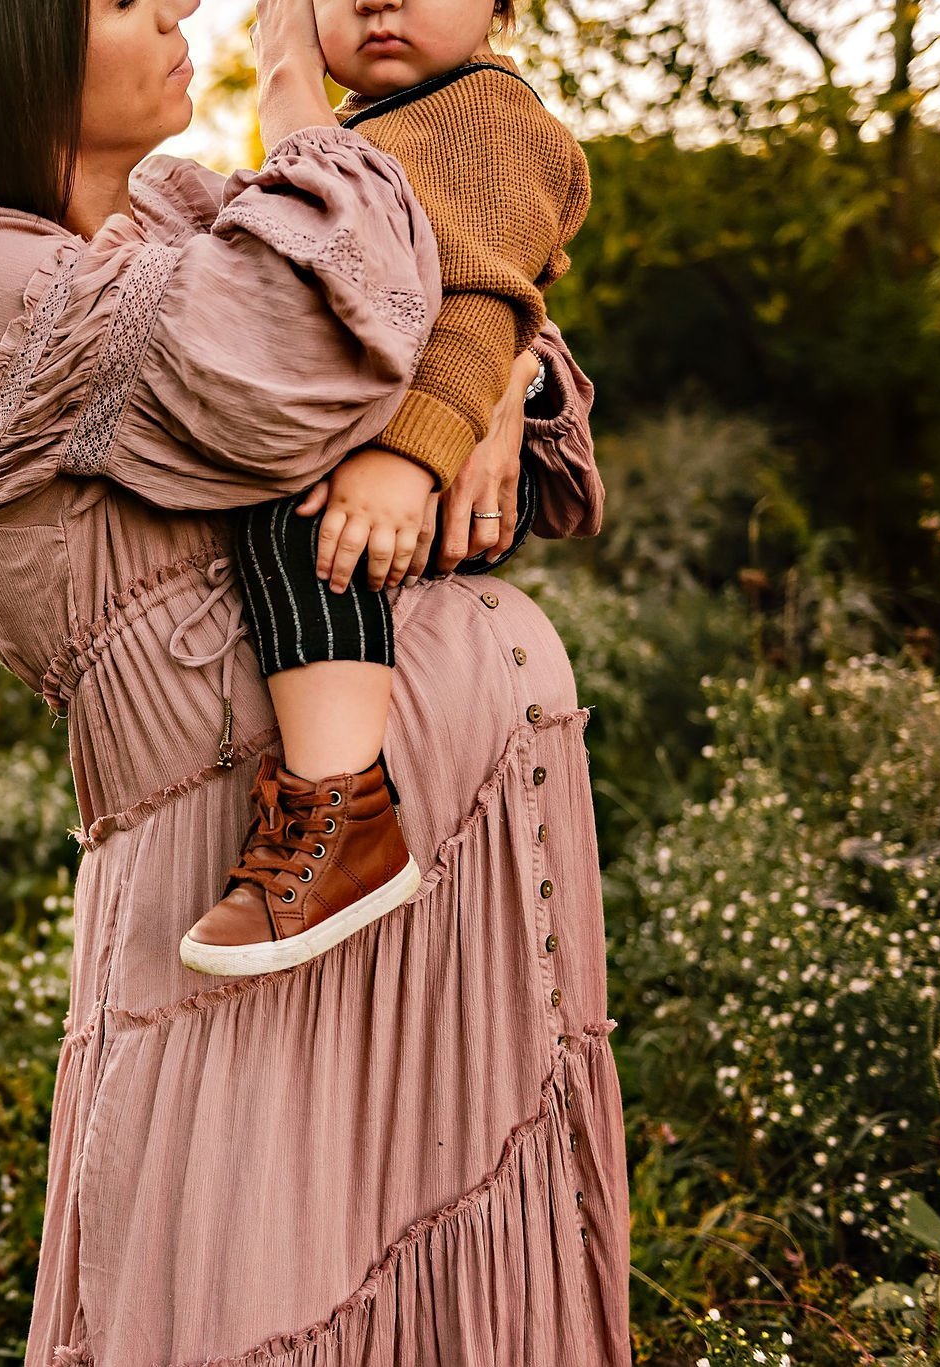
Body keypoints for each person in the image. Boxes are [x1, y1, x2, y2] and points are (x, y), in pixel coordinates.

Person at [0, 0, 632, 1361]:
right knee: (245, 1282)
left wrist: (482, 388)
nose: (181, 5)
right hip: (234, 862)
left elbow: (514, 402)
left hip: (446, 838)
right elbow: (302, 359)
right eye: (125, 0)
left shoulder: (175, 218)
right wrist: (304, 97)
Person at [179, 0, 593, 977]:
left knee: (304, 503)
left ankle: (342, 812)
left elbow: (481, 307)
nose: (376, 0)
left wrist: (402, 459)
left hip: (443, 461)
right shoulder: (389, 122)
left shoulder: (485, 111)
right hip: (419, 437)